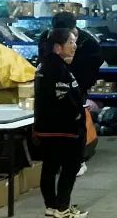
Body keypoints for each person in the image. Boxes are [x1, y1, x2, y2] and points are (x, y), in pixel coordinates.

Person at [34, 28, 89, 218]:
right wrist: (77, 117)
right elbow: (65, 101)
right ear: (58, 47)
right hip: (63, 130)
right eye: (70, 43)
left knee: (49, 167)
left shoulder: (46, 66)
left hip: (47, 128)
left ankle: (52, 207)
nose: (74, 46)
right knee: (69, 167)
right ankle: (63, 209)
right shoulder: (57, 70)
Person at [39, 11, 103, 177]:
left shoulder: (88, 42)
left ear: (74, 28)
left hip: (77, 84)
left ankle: (78, 159)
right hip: (53, 85)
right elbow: (43, 59)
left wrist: (80, 85)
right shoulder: (47, 37)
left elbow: (95, 63)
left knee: (74, 121)